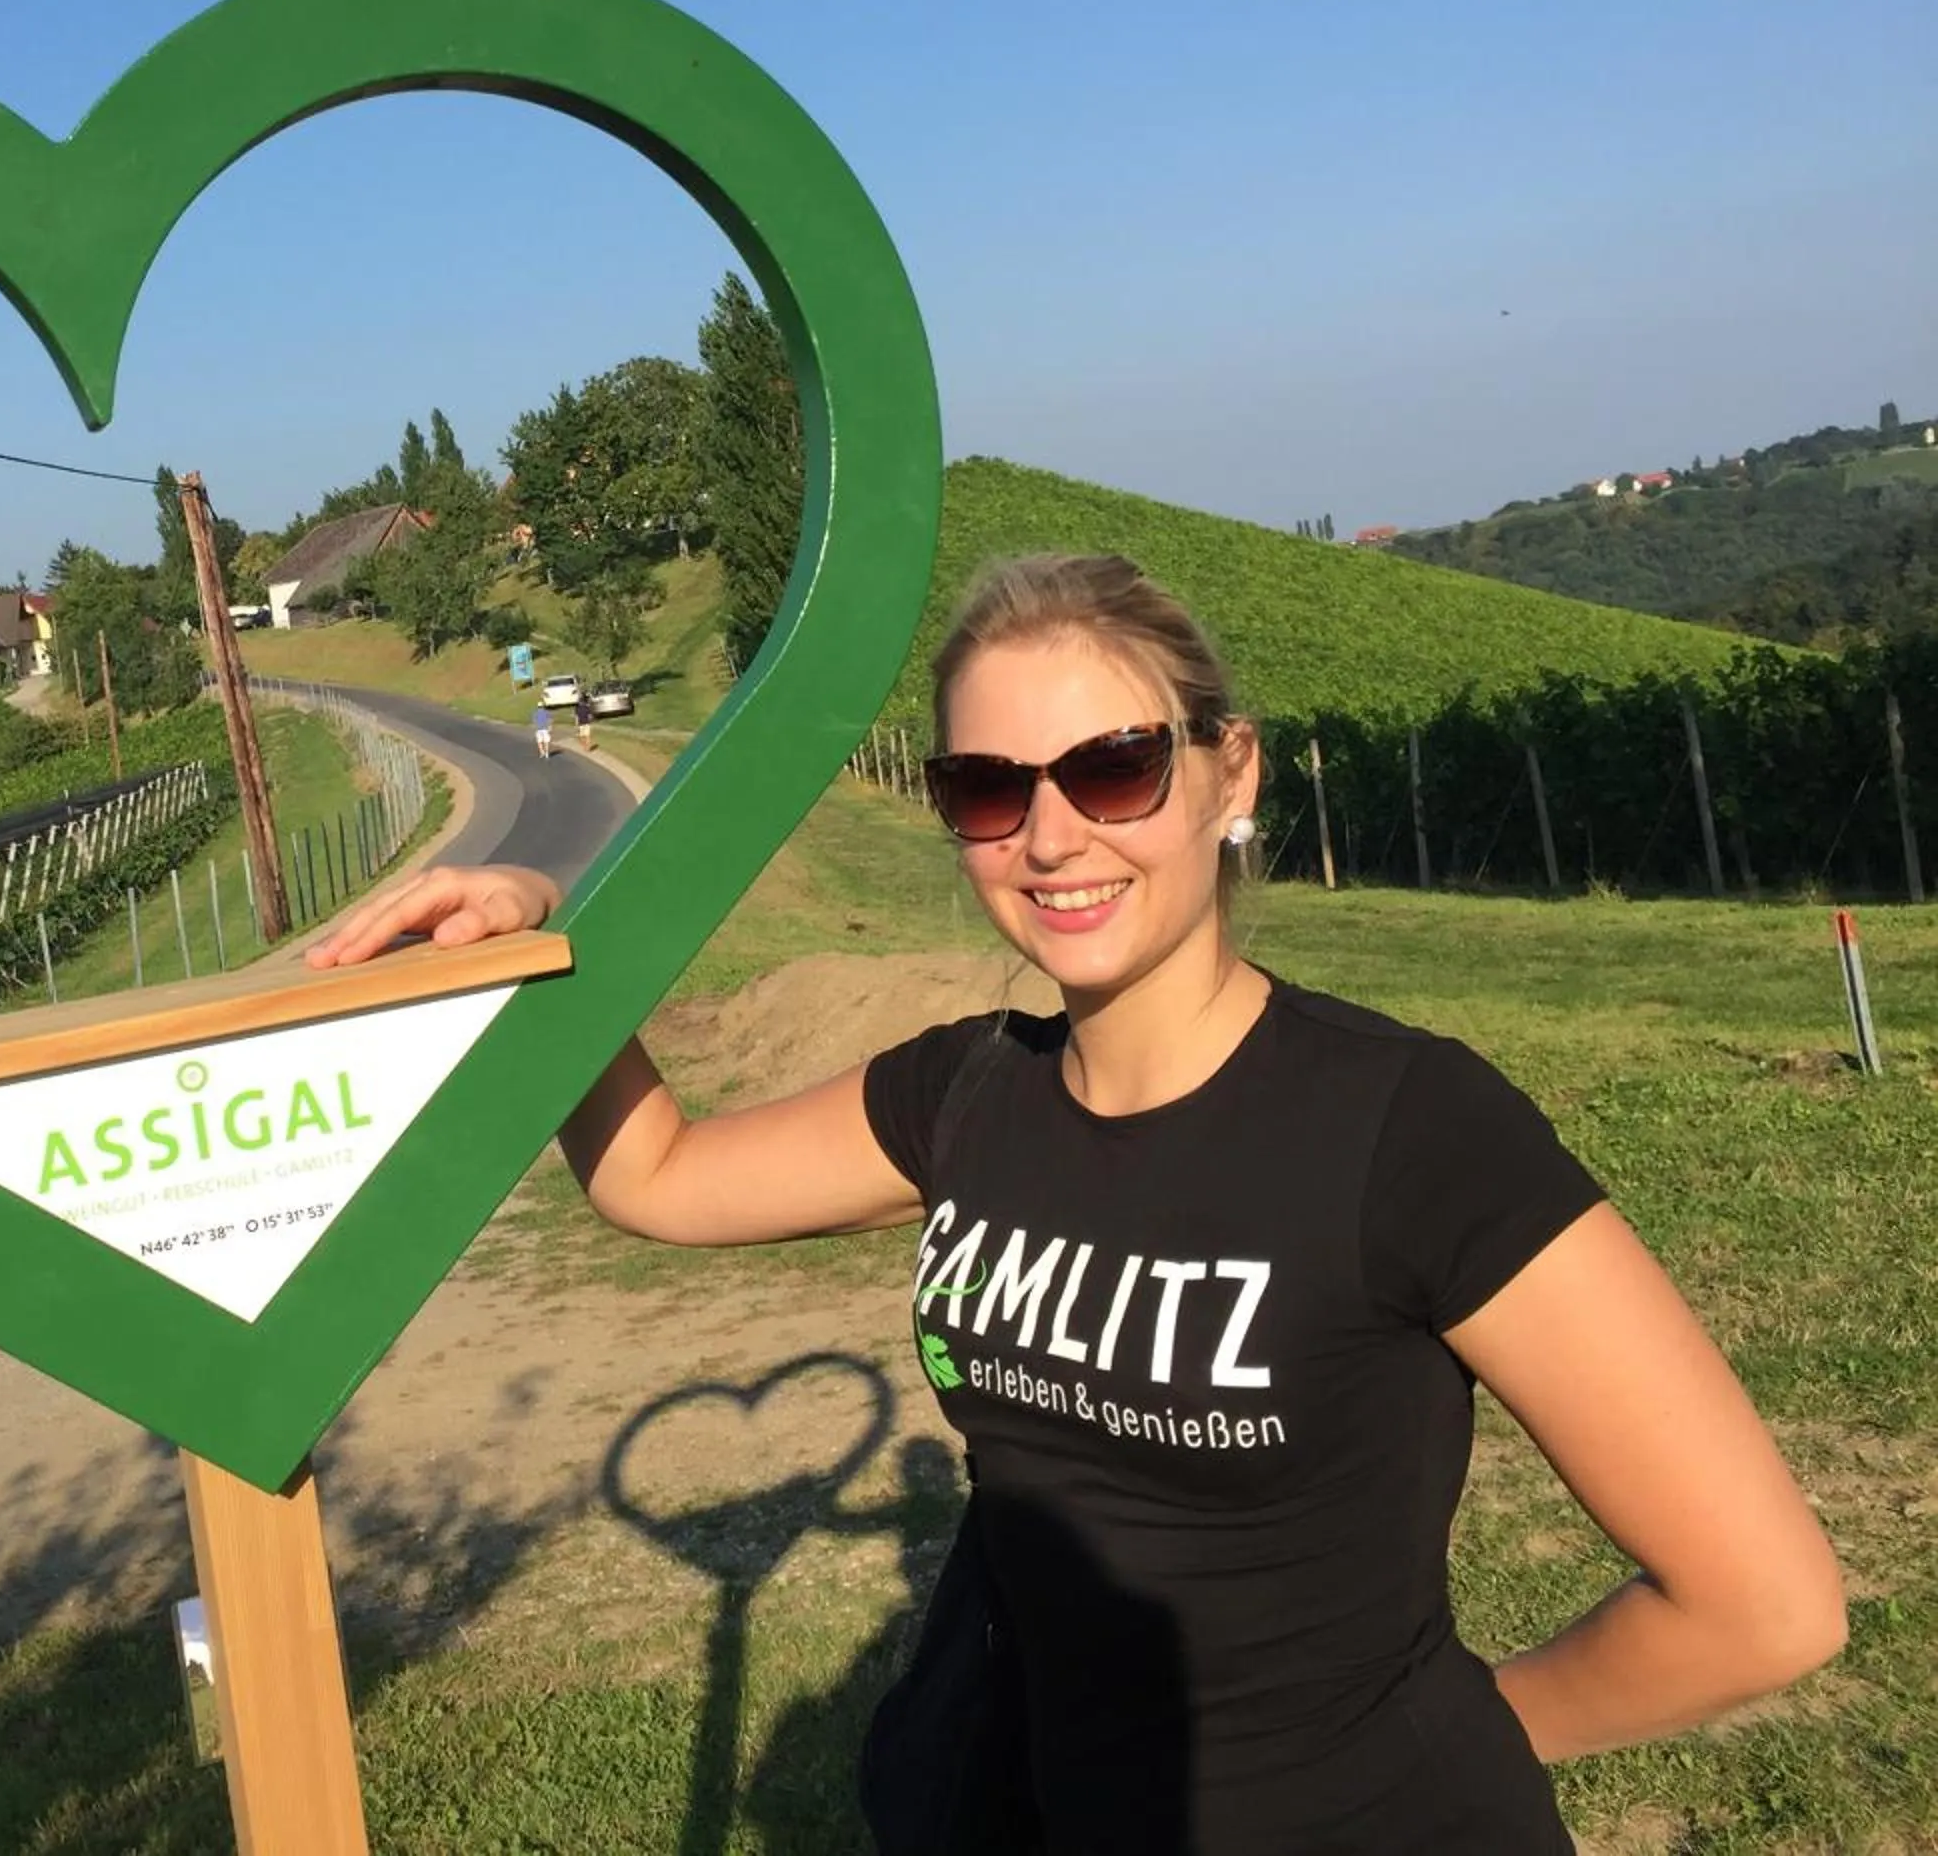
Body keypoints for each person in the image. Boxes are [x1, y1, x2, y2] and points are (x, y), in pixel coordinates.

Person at [310, 553, 1843, 1853]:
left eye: (1115, 767)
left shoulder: (1407, 1127)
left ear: (1229, 771)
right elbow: (657, 1175)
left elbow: (1763, 1604)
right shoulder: (968, 1092)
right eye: (988, 787)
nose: (1052, 835)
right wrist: (544, 949)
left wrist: (1457, 1729)